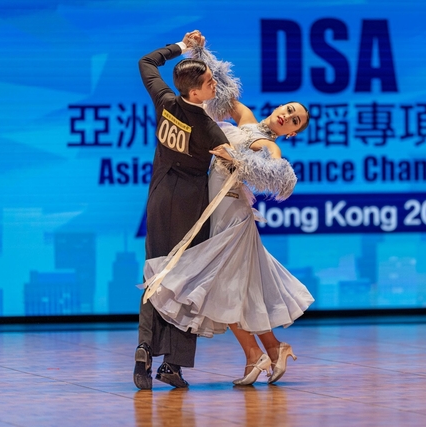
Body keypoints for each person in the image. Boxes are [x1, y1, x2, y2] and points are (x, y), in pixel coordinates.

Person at [143, 89, 314, 384]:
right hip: (214, 208)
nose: (287, 116)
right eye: (288, 109)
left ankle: (255, 354)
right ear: (279, 106)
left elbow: (276, 174)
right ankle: (272, 349)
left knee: (223, 288)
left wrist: (237, 160)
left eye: (294, 120)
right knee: (240, 290)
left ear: (292, 132)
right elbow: (220, 92)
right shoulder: (246, 119)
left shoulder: (270, 147)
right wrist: (200, 65)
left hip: (232, 214)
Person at [134, 30, 230, 390]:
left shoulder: (165, 101)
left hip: (159, 198)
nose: (214, 84)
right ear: (194, 92)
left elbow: (146, 62)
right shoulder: (208, 128)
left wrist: (182, 47)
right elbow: (237, 162)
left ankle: (144, 347)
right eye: (208, 82)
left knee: (154, 276)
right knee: (187, 280)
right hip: (191, 207)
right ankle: (172, 364)